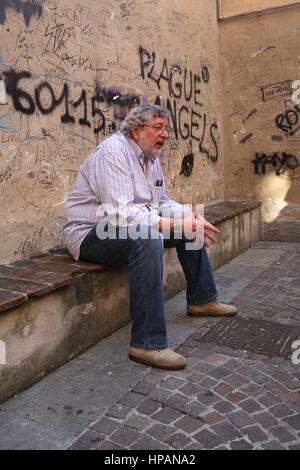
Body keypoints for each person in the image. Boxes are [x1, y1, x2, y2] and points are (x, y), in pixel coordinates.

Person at [64, 104, 237, 370]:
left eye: (166, 128)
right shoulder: (113, 153)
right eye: (158, 128)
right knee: (149, 237)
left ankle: (203, 300)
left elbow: (161, 202)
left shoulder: (150, 159)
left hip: (121, 229)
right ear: (136, 130)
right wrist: (172, 224)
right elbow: (120, 215)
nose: (166, 134)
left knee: (186, 224)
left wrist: (187, 216)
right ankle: (146, 343)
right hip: (90, 233)